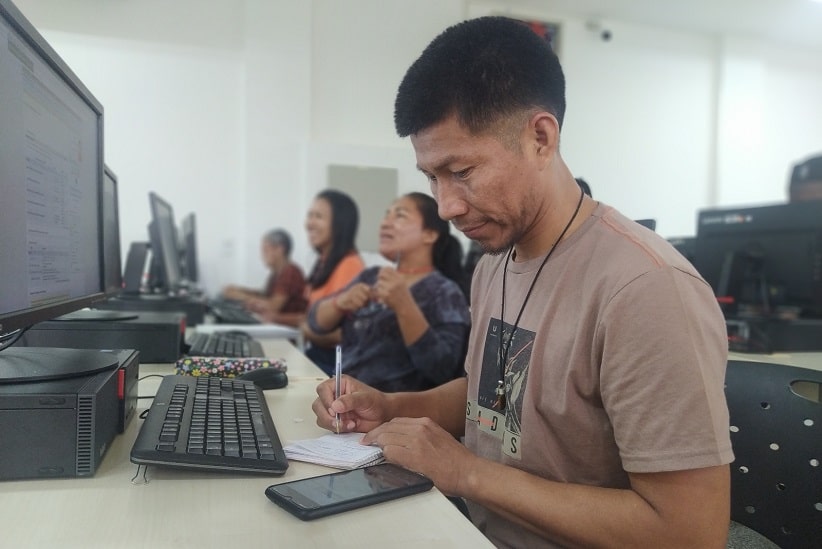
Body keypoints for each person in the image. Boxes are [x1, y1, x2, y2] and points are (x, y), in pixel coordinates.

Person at [312, 16, 732, 548]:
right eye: (431, 178)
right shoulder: (494, 262)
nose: (446, 206)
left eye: (461, 172)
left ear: (540, 137)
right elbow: (493, 397)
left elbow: (690, 534)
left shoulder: (647, 289)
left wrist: (464, 472)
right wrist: (394, 408)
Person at [306, 192, 470, 392]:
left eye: (399, 215)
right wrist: (340, 302)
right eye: (386, 215)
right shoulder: (371, 276)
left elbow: (442, 369)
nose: (385, 223)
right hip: (342, 402)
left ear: (430, 234)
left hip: (395, 415)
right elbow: (316, 322)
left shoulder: (444, 292)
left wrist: (404, 306)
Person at [301, 189, 365, 374]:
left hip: (334, 364)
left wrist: (304, 329)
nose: (309, 223)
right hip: (317, 355)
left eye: (318, 216)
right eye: (309, 215)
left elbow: (343, 335)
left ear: (339, 224)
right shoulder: (323, 263)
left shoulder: (349, 265)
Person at [221, 228, 307, 326]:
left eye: (265, 249)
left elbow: (272, 306)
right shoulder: (276, 274)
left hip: (287, 333)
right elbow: (265, 295)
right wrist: (239, 289)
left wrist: (239, 296)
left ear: (279, 250)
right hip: (274, 326)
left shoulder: (290, 272)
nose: (262, 255)